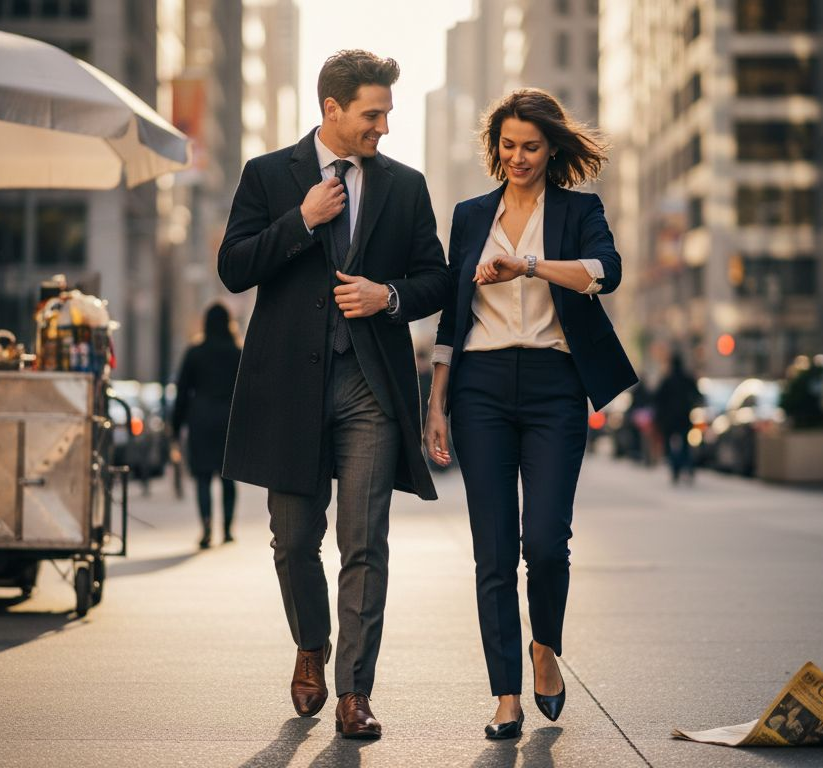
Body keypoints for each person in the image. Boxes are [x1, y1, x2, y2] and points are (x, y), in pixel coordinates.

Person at [216, 49, 449, 740]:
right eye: (372, 114)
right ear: (332, 110)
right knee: (292, 541)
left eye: (386, 114)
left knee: (365, 542)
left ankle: (354, 691)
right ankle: (310, 644)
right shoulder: (268, 176)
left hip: (370, 388)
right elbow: (234, 267)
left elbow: (437, 278)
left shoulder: (405, 187)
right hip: (288, 388)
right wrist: (303, 220)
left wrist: (390, 296)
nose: (382, 126)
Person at [424, 89, 638, 739]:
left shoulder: (578, 212)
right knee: (493, 551)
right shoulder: (468, 217)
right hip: (480, 388)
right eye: (508, 146)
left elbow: (607, 272)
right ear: (497, 148)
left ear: (552, 149)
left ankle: (544, 648)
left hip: (553, 386)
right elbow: (451, 317)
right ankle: (505, 694)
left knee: (545, 542)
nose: (518, 157)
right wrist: (436, 401)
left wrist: (528, 265)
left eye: (531, 146)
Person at [171, 303, 242, 549]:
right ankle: (228, 530)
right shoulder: (237, 353)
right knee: (228, 478)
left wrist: (175, 428)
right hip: (229, 420)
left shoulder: (194, 353)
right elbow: (247, 392)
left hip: (200, 419)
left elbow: (181, 392)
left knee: (203, 477)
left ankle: (207, 529)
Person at [655, 352, 701, 484]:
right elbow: (697, 395)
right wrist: (690, 404)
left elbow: (658, 398)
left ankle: (676, 468)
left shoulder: (668, 380)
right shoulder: (687, 379)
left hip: (671, 419)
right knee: (686, 445)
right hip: (684, 417)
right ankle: (687, 467)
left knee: (671, 445)